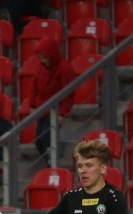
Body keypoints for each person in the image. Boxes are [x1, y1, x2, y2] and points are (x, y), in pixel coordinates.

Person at [29, 35, 75, 166]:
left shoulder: (64, 68)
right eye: (40, 57)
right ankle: (50, 159)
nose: (42, 60)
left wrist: (63, 113)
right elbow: (34, 87)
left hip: (55, 109)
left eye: (44, 57)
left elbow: (69, 93)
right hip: (42, 109)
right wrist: (32, 105)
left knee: (46, 138)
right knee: (39, 141)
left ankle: (52, 163)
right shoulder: (41, 67)